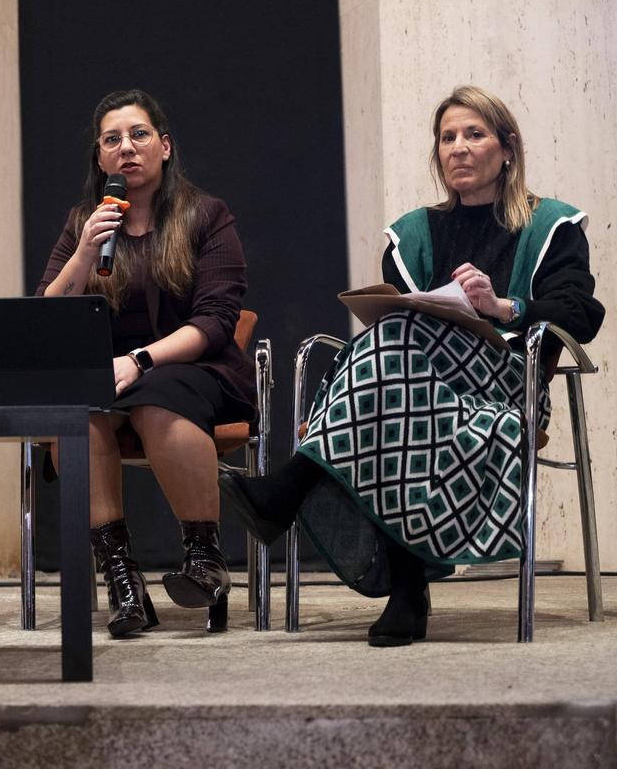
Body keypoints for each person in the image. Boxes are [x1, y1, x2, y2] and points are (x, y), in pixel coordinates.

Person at [222, 85, 604, 646]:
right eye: (447, 137)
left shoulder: (551, 226)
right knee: (395, 358)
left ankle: (292, 488)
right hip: (405, 389)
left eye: (475, 134)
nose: (459, 148)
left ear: (507, 148)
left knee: (393, 353)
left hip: (503, 382)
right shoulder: (413, 233)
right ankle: (407, 594)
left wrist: (502, 307)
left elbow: (579, 313)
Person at [37, 89, 256, 638]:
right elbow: (45, 318)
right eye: (111, 140)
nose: (125, 148)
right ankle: (123, 581)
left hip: (193, 370)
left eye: (138, 135)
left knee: (157, 400)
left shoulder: (207, 215)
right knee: (73, 417)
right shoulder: (85, 224)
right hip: (106, 379)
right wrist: (85, 253)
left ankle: (205, 562)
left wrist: (141, 359)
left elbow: (215, 321)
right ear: (99, 157)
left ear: (164, 146)